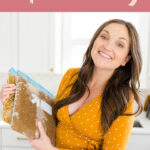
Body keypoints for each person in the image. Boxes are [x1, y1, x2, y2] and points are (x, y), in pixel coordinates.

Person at [0, 19, 143, 150]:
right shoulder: (71, 76)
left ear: (126, 59)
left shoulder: (124, 99)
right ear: (94, 41)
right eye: (104, 37)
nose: (107, 46)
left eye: (120, 44)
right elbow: (50, 121)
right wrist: (12, 104)